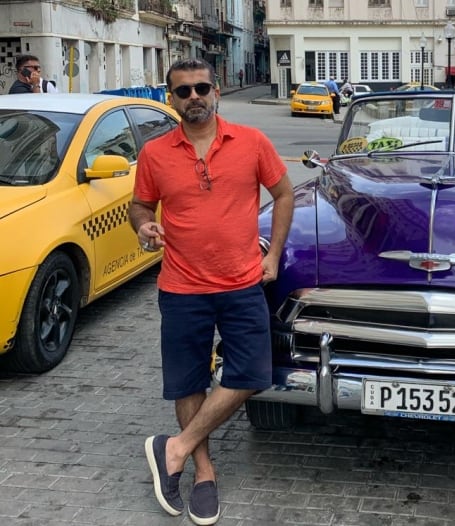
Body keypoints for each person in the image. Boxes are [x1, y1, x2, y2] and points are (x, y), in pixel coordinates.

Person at [129, 58, 293, 526]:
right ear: (171, 99)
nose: (194, 96)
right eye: (184, 91)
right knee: (187, 383)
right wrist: (144, 227)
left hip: (242, 282)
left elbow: (284, 193)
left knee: (252, 371)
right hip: (181, 286)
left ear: (216, 91)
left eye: (202, 88)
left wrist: (273, 256)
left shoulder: (252, 142)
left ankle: (172, 448)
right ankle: (202, 472)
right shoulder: (156, 154)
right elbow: (139, 206)